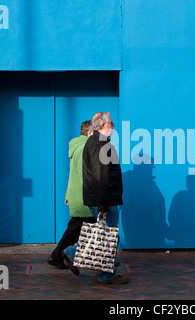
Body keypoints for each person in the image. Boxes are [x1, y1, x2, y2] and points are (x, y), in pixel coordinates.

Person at [81, 111, 128, 284]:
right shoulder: (99, 145)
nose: (113, 125)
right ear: (102, 126)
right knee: (108, 238)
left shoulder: (101, 143)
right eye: (111, 123)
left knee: (105, 237)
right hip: (104, 200)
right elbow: (100, 177)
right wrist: (103, 206)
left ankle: (71, 253)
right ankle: (107, 275)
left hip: (105, 199)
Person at [47, 120, 95, 274]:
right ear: (89, 133)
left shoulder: (78, 146)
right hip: (85, 196)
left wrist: (69, 194)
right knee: (88, 229)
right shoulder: (85, 148)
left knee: (76, 228)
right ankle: (65, 255)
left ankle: (57, 256)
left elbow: (73, 173)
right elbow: (84, 175)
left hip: (78, 194)